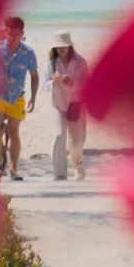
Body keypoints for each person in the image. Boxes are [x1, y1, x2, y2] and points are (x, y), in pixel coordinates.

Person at [0, 15, 39, 181]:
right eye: (9, 34)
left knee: (14, 132)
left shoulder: (29, 52)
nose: (12, 37)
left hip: (17, 96)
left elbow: (34, 76)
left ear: (22, 33)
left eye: (15, 34)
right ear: (5, 32)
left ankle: (14, 169)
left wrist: (33, 98)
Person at [45, 30, 88, 179]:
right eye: (58, 47)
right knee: (59, 135)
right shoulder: (50, 64)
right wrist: (53, 82)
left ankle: (77, 166)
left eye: (64, 46)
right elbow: (44, 86)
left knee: (78, 140)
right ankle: (59, 173)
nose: (61, 49)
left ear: (70, 46)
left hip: (76, 104)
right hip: (58, 104)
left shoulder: (81, 62)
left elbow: (88, 85)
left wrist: (73, 83)